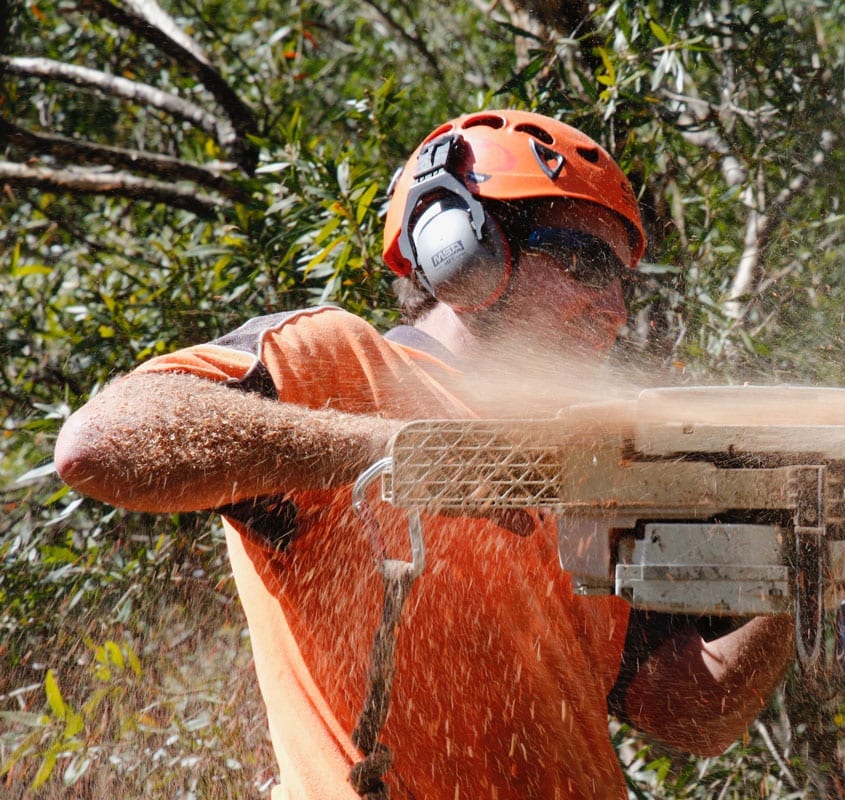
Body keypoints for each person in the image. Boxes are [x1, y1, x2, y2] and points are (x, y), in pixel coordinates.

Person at [54, 109, 795, 800]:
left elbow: (692, 710)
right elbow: (104, 443)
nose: (617, 307)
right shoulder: (338, 367)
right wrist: (413, 454)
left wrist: (801, 564)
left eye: (622, 281)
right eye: (586, 265)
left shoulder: (590, 456)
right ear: (464, 248)